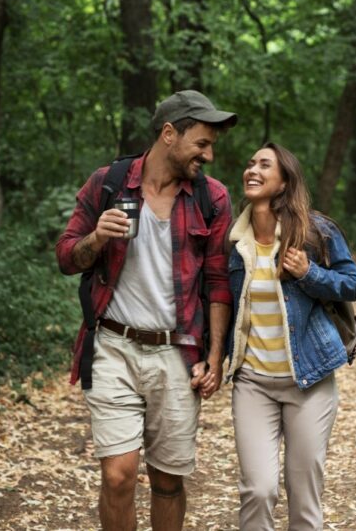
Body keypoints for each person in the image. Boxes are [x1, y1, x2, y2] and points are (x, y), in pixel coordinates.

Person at [56, 90, 237, 531]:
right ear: (169, 134)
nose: (209, 155)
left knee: (167, 481)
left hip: (178, 354)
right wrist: (97, 238)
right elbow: (66, 257)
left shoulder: (212, 198)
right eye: (202, 144)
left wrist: (215, 357)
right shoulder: (108, 183)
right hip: (113, 347)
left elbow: (218, 282)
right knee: (118, 477)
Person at [224, 142, 356, 530]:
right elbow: (220, 302)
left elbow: (353, 284)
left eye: (264, 165)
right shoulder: (233, 241)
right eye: (250, 163)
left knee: (304, 496)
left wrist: (308, 273)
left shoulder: (316, 232)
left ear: (285, 182)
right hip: (253, 383)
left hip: (310, 381)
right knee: (258, 490)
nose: (252, 170)